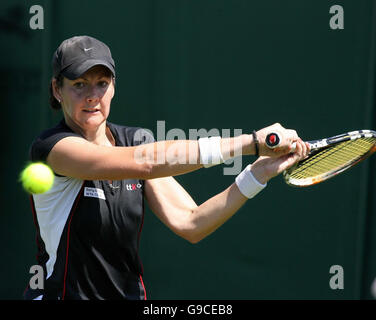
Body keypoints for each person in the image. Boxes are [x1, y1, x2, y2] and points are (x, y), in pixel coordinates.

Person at [23, 35, 309, 300]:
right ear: (56, 90)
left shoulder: (133, 140)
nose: (92, 95)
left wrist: (257, 174)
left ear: (113, 87)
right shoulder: (53, 148)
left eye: (102, 83)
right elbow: (145, 162)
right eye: (78, 84)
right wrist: (252, 142)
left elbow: (192, 222)